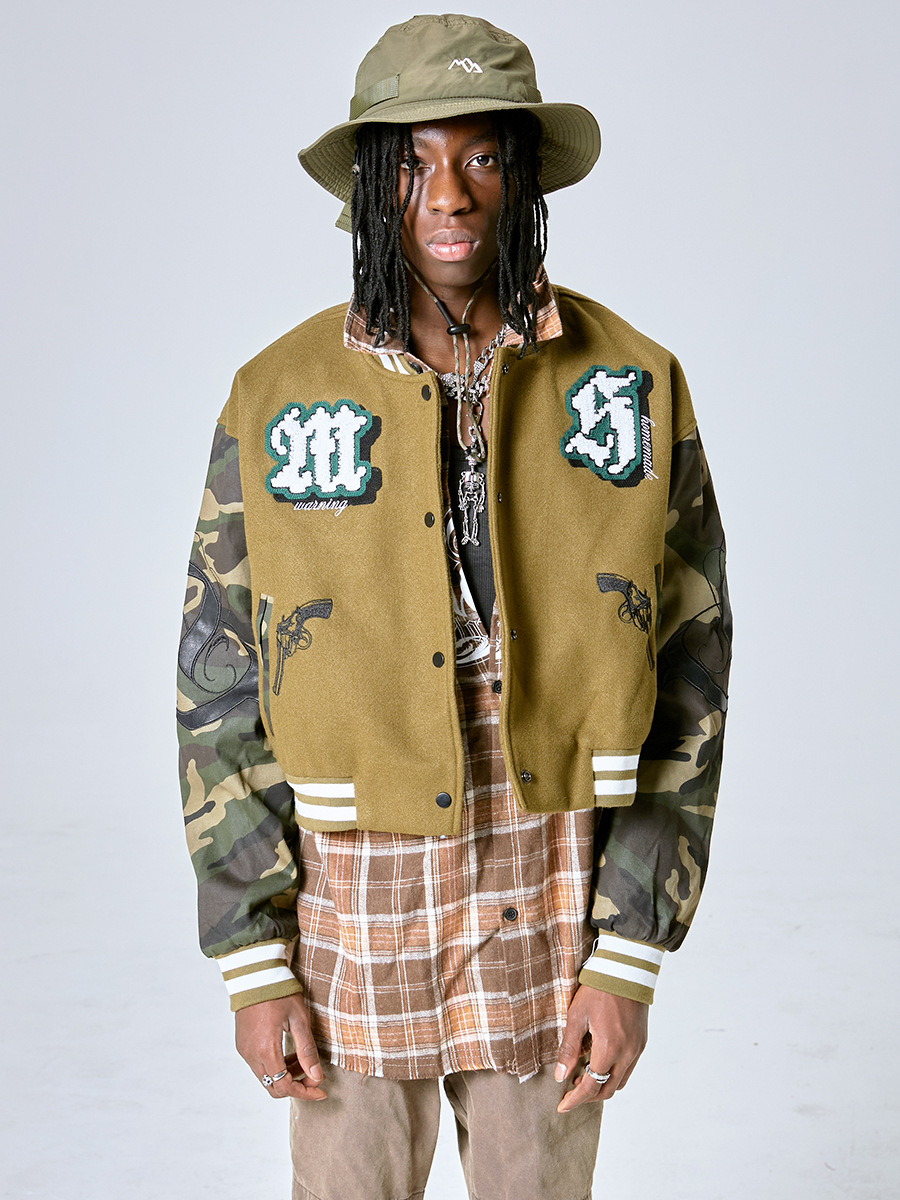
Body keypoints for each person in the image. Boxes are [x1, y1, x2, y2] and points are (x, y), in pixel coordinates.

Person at [177, 14, 732, 1200]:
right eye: (414, 160)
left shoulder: (630, 382)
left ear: (523, 175)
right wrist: (252, 958)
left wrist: (629, 952)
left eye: (481, 155)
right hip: (351, 889)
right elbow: (219, 674)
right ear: (371, 184)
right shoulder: (277, 395)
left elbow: (691, 668)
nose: (450, 193)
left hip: (552, 873)